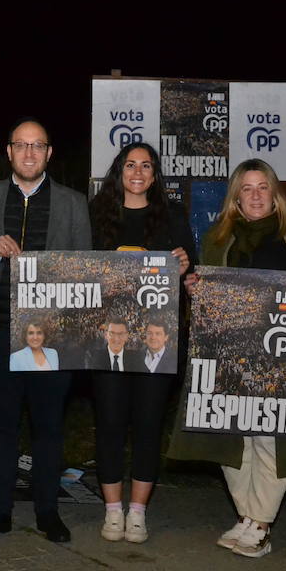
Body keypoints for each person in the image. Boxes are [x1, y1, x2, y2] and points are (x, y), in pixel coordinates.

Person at [168, 159, 286, 558]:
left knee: (272, 437)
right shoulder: (217, 237)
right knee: (232, 433)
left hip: (281, 352)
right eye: (247, 189)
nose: (255, 196)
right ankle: (246, 516)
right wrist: (194, 288)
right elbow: (207, 289)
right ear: (236, 198)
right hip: (229, 349)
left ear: (274, 193)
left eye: (262, 188)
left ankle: (261, 522)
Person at [0, 118, 90, 544]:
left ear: (50, 153)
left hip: (52, 336)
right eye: (22, 145)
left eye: (38, 146)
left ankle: (47, 512)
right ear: (9, 151)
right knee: (0, 429)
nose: (30, 153)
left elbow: (85, 272)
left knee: (48, 427)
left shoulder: (73, 204)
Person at [89, 142, 195, 543]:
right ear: (119, 171)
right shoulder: (96, 214)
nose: (138, 171)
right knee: (111, 422)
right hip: (106, 339)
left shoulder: (173, 217)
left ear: (155, 174)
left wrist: (185, 267)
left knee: (149, 425)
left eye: (146, 165)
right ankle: (112, 510)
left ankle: (138, 512)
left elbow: (191, 273)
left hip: (156, 339)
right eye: (130, 164)